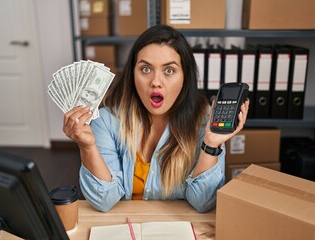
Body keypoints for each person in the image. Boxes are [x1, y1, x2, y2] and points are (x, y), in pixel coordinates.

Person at [63, 24, 249, 213]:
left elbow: (203, 202)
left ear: (185, 77)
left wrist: (211, 144)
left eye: (169, 71)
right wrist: (87, 147)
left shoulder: (206, 123)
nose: (156, 82)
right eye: (145, 69)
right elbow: (103, 200)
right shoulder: (107, 121)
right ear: (132, 75)